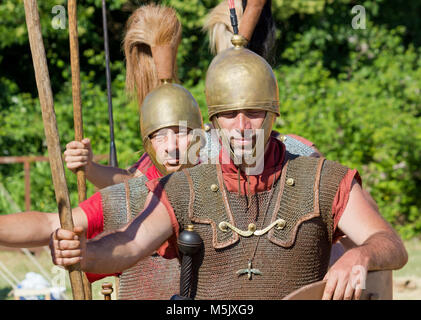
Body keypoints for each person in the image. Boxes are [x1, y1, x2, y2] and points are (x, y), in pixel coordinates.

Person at [51, 32, 408, 300]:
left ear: (272, 115)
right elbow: (129, 243)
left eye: (253, 113)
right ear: (214, 122)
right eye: (229, 115)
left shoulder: (323, 179)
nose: (241, 125)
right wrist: (84, 253)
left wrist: (360, 255)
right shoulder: (184, 188)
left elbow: (391, 244)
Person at [0, 4, 204, 300]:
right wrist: (90, 168)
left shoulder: (220, 166)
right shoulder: (142, 185)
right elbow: (54, 223)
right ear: (150, 141)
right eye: (160, 135)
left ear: (200, 135)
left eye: (181, 134)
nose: (171, 146)